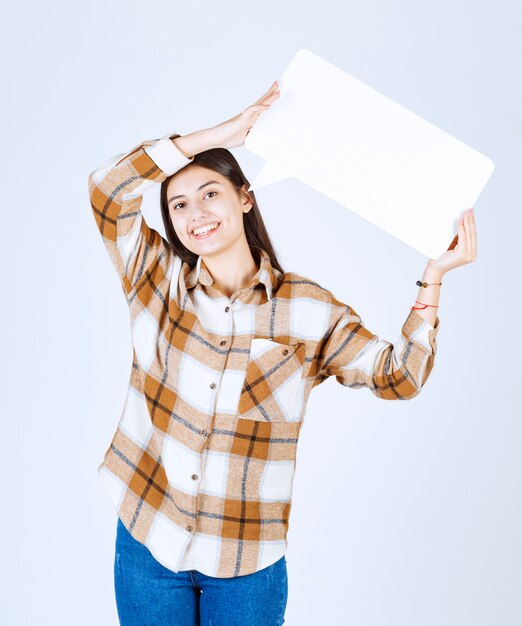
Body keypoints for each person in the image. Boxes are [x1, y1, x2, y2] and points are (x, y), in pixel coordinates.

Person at [88, 80, 477, 626]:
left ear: (245, 197)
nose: (196, 212)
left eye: (210, 193)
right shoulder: (156, 281)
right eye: (178, 203)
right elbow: (107, 190)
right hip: (148, 538)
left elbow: (400, 378)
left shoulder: (308, 311)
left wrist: (432, 278)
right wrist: (219, 135)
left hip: (248, 561)